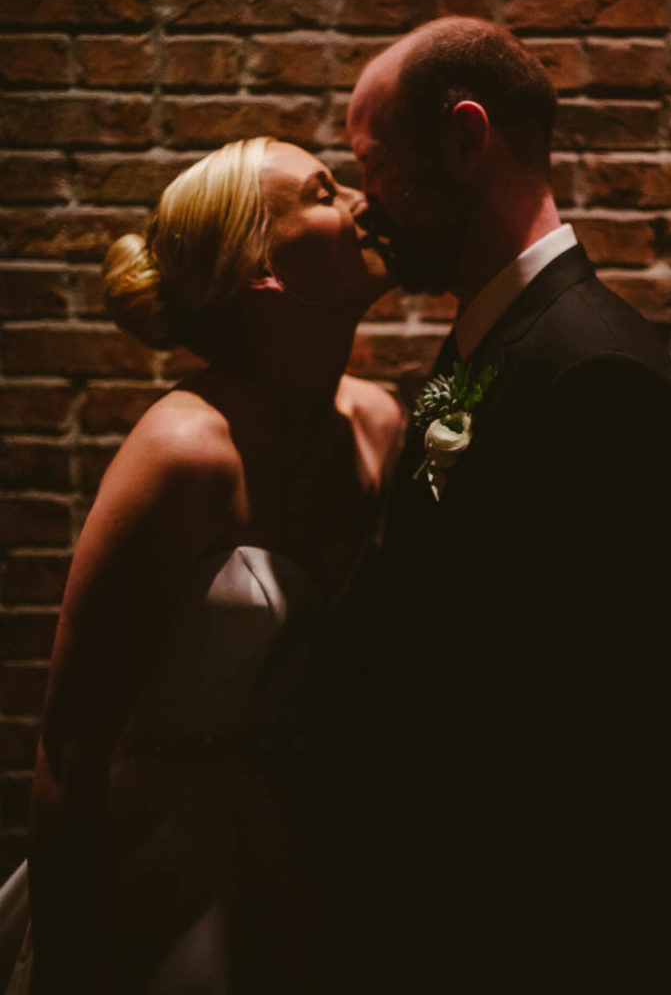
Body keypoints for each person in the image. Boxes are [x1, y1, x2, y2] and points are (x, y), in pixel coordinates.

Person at [346, 18, 671, 993]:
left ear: (465, 143)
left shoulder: (595, 372)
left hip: (536, 943)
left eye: (372, 166)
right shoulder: (484, 341)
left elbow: (626, 744)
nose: (364, 207)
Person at [1, 137, 402, 995]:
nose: (364, 201)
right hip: (161, 870)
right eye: (326, 193)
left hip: (315, 855)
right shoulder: (185, 453)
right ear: (262, 270)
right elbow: (72, 746)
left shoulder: (383, 425)